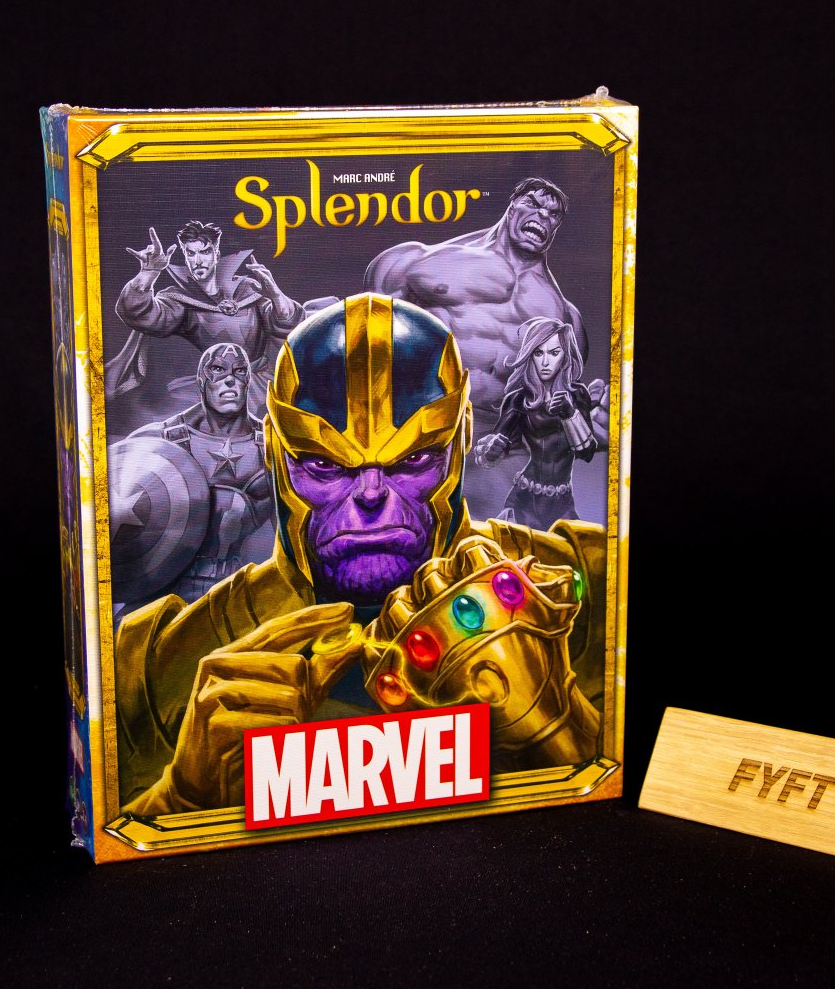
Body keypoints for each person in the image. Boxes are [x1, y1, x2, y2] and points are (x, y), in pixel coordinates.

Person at [114, 295, 609, 813]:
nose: (371, 494)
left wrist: (556, 728)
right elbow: (115, 826)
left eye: (414, 459)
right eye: (325, 466)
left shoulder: (586, 585)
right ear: (275, 452)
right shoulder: (155, 665)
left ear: (461, 438)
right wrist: (184, 797)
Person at [363, 178, 586, 417]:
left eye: (554, 214)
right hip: (421, 414)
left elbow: (562, 394)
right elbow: (366, 337)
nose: (543, 215)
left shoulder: (563, 315)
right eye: (532, 203)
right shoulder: (415, 261)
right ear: (512, 207)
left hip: (498, 428)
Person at [108, 343, 273, 611]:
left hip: (235, 593)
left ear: (248, 380)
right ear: (201, 380)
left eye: (240, 371)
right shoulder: (157, 440)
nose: (230, 380)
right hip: (164, 595)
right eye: (218, 370)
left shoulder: (271, 448)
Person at [105, 221, 304, 402]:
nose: (198, 260)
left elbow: (289, 323)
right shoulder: (179, 299)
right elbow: (139, 313)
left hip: (260, 386)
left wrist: (276, 294)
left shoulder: (247, 289)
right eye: (191, 254)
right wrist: (149, 272)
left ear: (216, 253)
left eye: (205, 252)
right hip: (214, 389)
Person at [474, 318, 606, 530]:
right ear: (530, 355)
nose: (545, 362)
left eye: (554, 353)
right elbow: (497, 446)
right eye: (538, 353)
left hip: (562, 502)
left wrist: (569, 414)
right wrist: (492, 450)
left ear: (565, 356)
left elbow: (587, 452)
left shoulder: (577, 394)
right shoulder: (519, 399)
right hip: (523, 502)